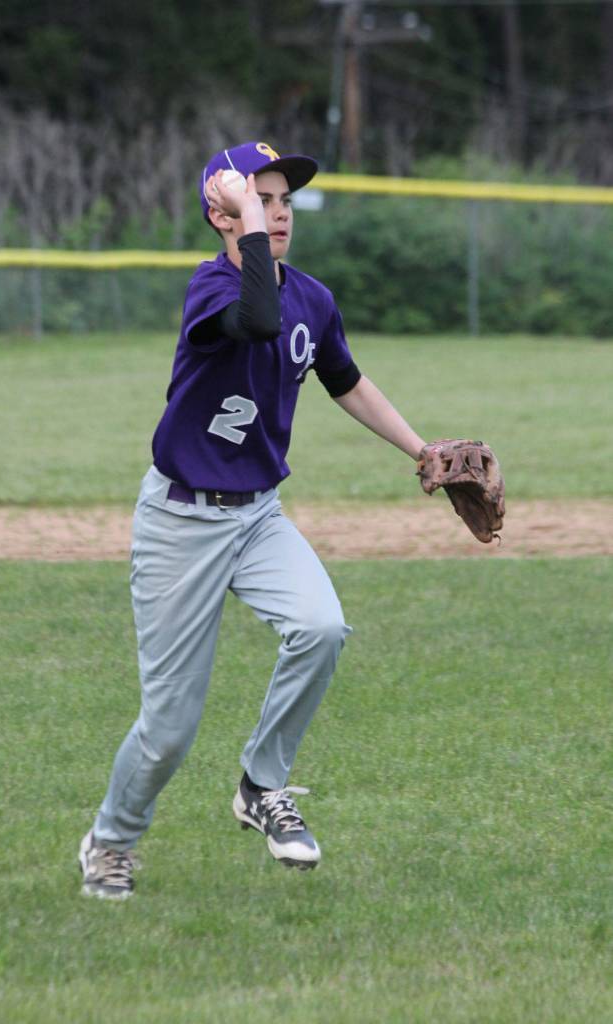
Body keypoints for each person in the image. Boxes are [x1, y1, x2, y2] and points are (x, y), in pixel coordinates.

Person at [78, 141, 427, 899]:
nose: (277, 213)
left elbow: (346, 381)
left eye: (283, 202)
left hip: (259, 516)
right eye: (258, 198)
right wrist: (244, 229)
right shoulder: (211, 290)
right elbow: (258, 317)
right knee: (169, 728)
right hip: (181, 522)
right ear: (220, 212)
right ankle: (110, 841)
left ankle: (261, 785)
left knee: (322, 626)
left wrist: (421, 450)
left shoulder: (315, 298)